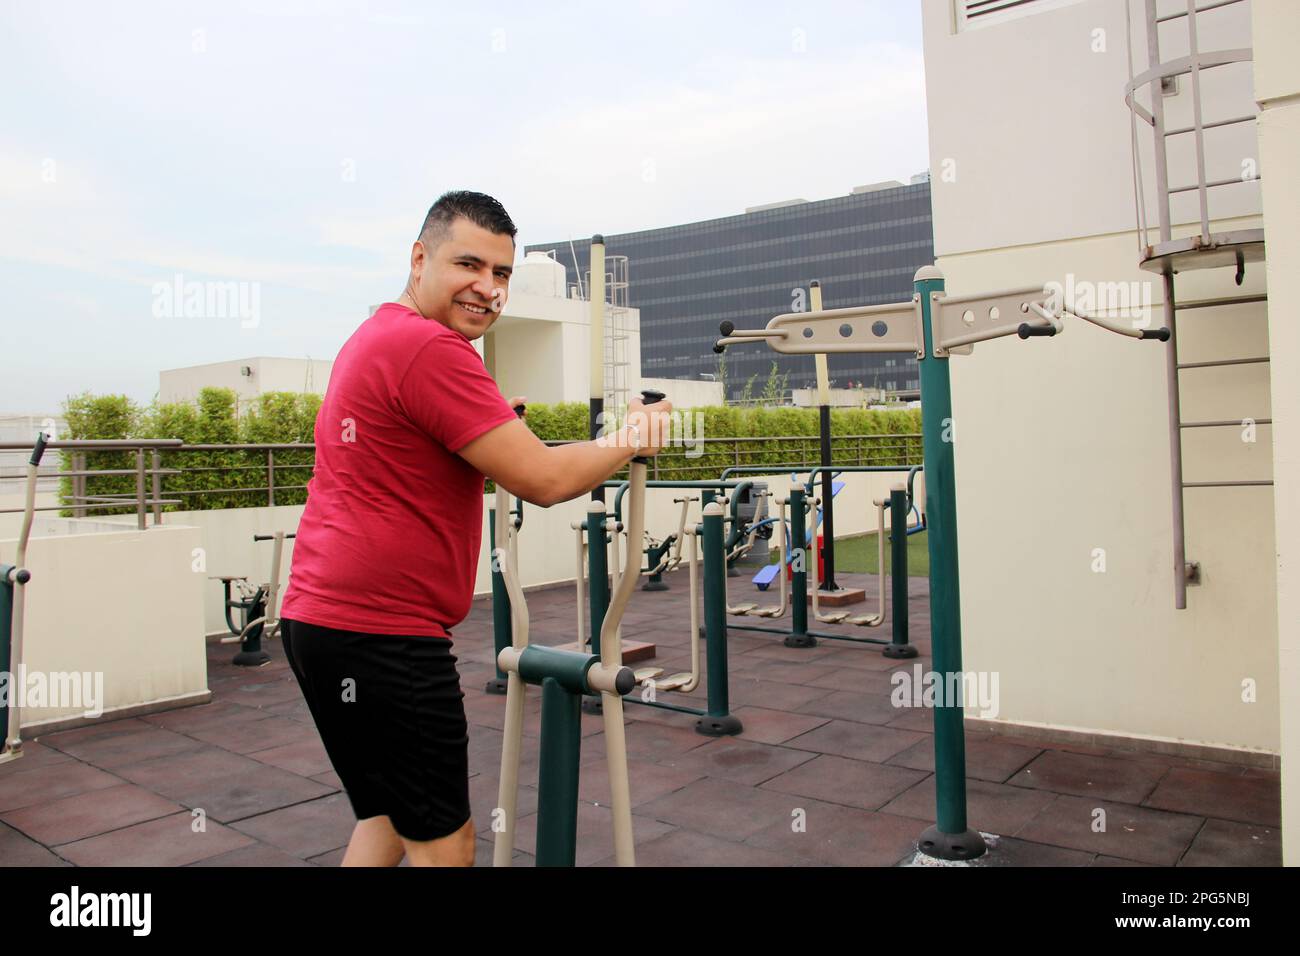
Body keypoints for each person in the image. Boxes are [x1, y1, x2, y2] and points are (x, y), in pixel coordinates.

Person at [278, 190, 672, 867]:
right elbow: (543, 481)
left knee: (388, 821)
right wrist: (629, 437)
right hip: (384, 636)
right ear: (420, 257)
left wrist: (484, 432)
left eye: (502, 274)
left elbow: (406, 447)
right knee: (447, 843)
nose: (488, 289)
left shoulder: (378, 334)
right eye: (470, 265)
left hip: (320, 622)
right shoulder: (430, 347)